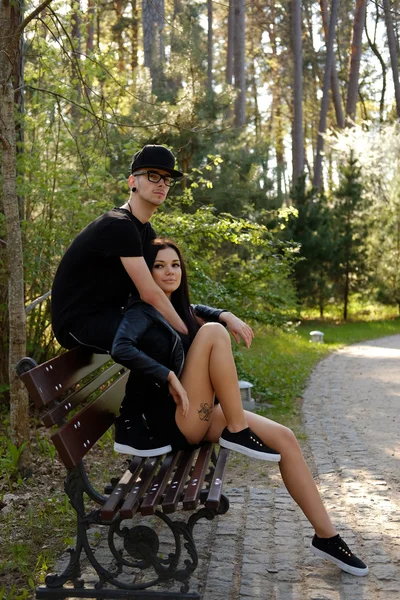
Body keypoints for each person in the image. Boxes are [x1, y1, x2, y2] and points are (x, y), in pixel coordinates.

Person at [110, 238, 369, 578]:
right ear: (146, 272)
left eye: (174, 264)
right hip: (171, 421)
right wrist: (168, 375)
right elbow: (120, 346)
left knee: (286, 438)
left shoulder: (179, 309)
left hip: (195, 413)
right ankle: (238, 430)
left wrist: (224, 313)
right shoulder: (141, 311)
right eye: (159, 266)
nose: (169, 271)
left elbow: (198, 310)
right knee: (215, 333)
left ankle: (327, 536)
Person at [51, 144, 250, 455]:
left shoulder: (144, 232)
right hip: (78, 320)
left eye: (167, 179)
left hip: (113, 313)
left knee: (163, 334)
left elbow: (168, 294)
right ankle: (133, 424)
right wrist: (188, 333)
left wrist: (219, 315)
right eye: (153, 176)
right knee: (159, 337)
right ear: (133, 181)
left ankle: (174, 416)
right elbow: (150, 293)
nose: (161, 184)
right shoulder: (119, 226)